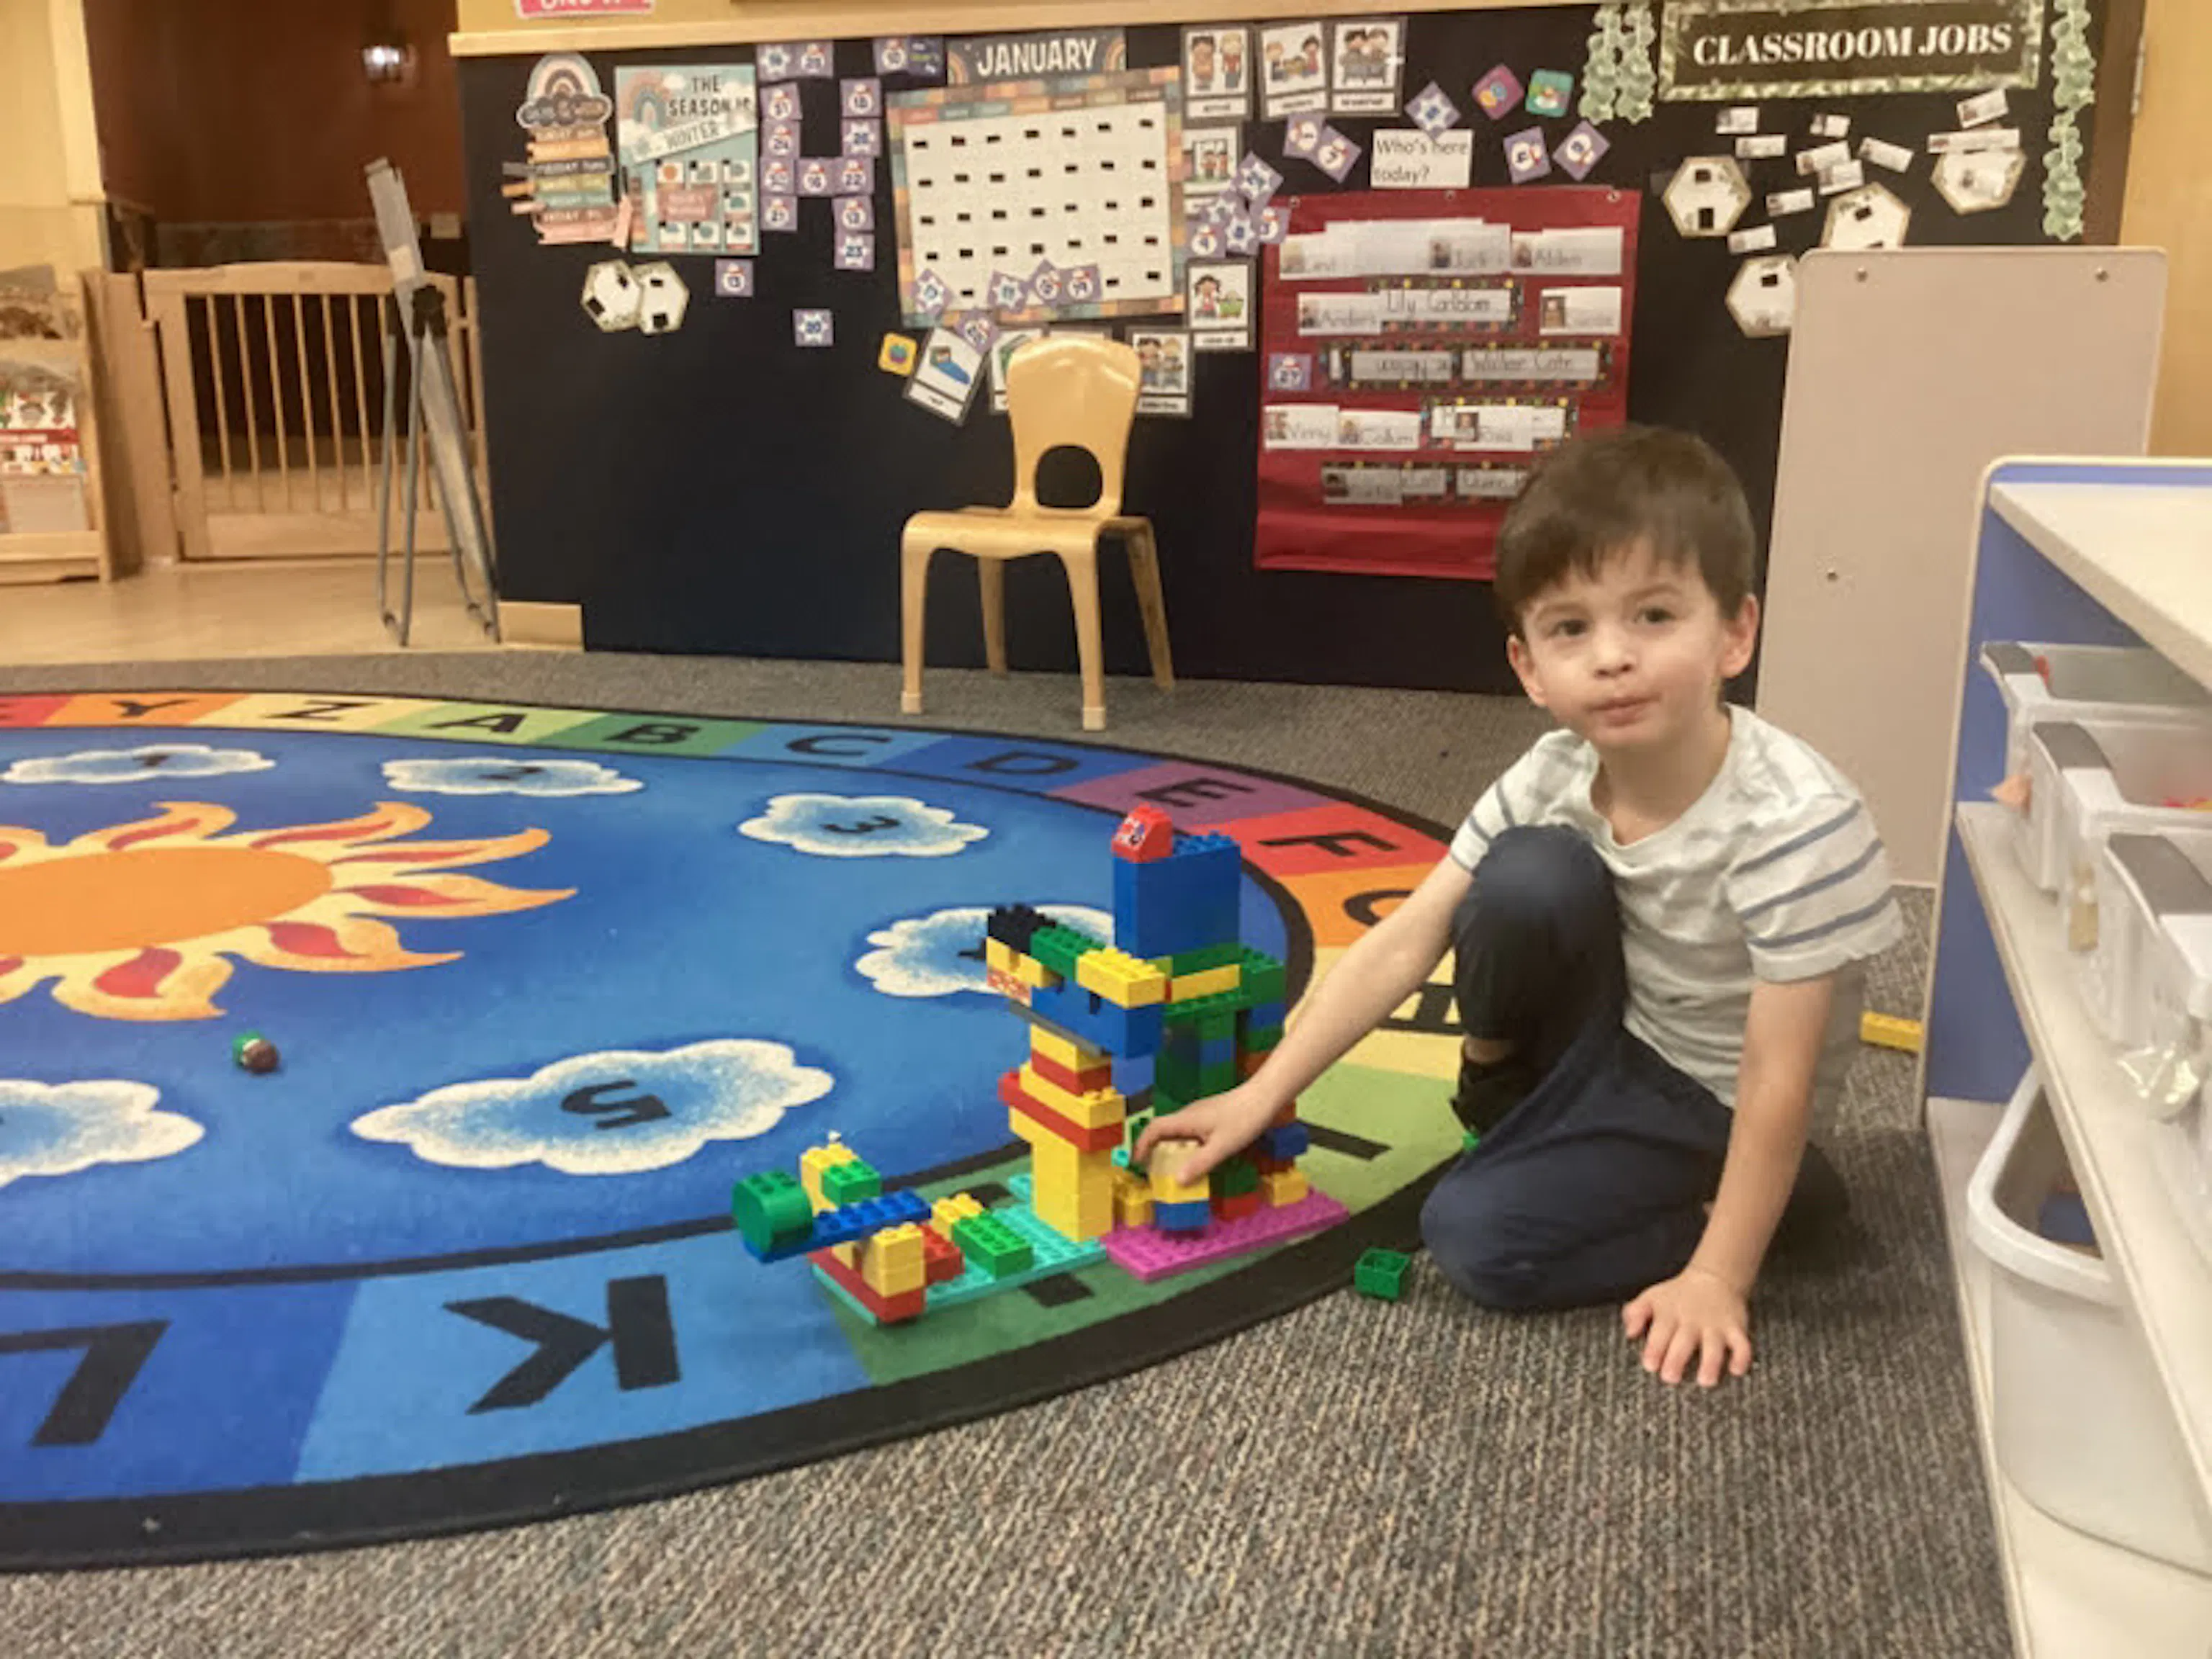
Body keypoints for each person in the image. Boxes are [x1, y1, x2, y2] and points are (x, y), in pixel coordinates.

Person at [1136, 426, 1902, 1389]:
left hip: (1709, 1095)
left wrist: (1718, 1275)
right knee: (1527, 872)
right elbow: (1409, 936)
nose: (1613, 657)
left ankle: (1780, 1205)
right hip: (1617, 1027)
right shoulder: (1553, 770)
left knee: (1474, 1239)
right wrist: (1262, 1094)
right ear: (1530, 667)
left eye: (1655, 615)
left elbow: (1777, 1075)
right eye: (1570, 629)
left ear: (1735, 634)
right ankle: (1520, 1100)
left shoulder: (1793, 822)